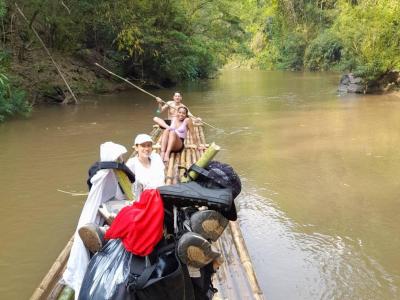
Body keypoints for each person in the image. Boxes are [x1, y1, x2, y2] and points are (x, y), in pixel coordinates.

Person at [62, 141, 132, 298]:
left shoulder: (117, 175)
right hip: (98, 215)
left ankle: (105, 236)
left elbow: (122, 193)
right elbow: (98, 179)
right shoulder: (101, 174)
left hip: (111, 210)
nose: (121, 160)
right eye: (118, 158)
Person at [125, 133, 165, 199]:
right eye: (143, 146)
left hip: (161, 195)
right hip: (145, 200)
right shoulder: (131, 164)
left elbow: (162, 179)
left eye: (149, 145)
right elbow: (129, 187)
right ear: (136, 148)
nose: (146, 149)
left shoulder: (156, 157)